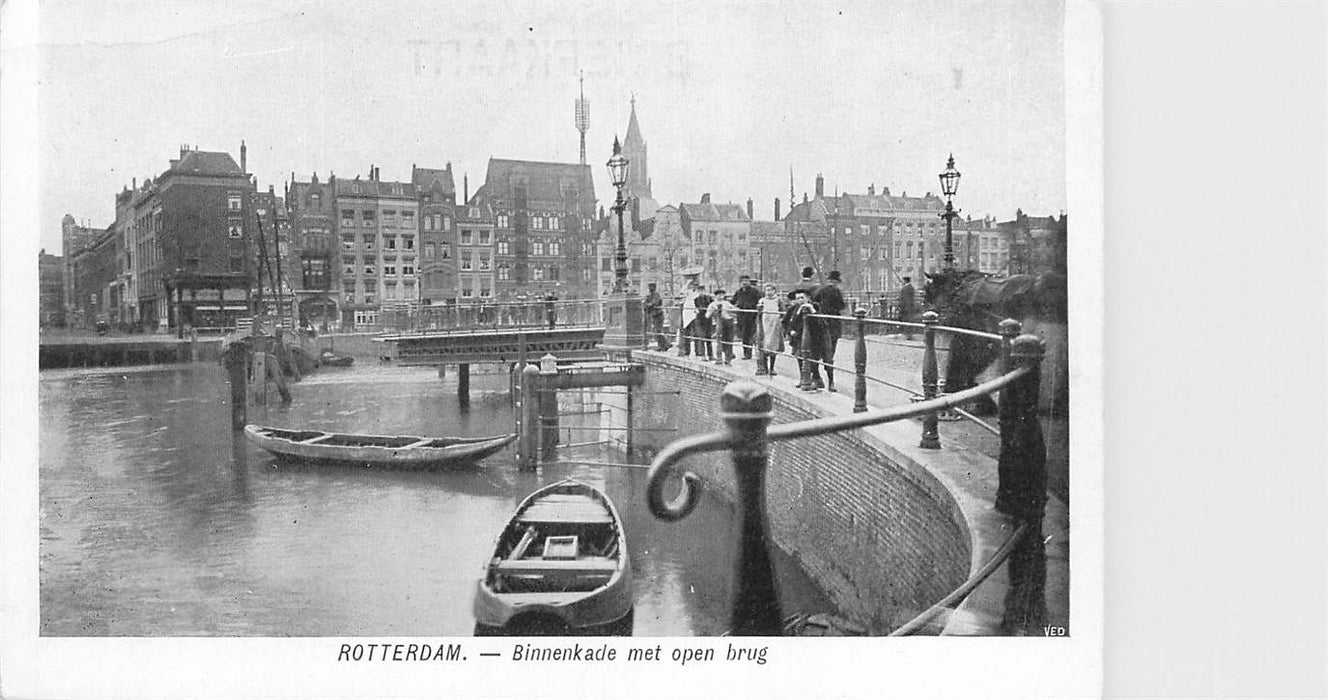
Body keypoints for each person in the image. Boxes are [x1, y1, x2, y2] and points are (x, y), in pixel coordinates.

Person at [813, 270, 847, 392]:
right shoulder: (837, 291)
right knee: (830, 353)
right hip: (833, 325)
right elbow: (842, 306)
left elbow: (815, 302)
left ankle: (816, 378)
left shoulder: (821, 290)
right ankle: (831, 382)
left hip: (821, 324)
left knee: (816, 353)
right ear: (837, 282)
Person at [784, 289, 824, 390]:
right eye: (797, 298)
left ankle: (816, 379)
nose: (800, 300)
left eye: (802, 298)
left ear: (808, 298)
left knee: (813, 360)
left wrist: (812, 311)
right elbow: (787, 322)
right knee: (800, 357)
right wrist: (791, 331)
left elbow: (821, 323)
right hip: (798, 337)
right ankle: (803, 378)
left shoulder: (815, 307)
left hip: (813, 337)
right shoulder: (794, 309)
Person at [731, 276, 761, 360]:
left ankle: (757, 352)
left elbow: (760, 301)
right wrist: (735, 308)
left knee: (753, 335)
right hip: (742, 317)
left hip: (753, 317)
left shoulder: (755, 291)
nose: (744, 282)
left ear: (749, 281)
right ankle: (746, 354)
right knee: (744, 336)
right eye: (742, 281)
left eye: (746, 281)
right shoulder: (739, 292)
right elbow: (732, 302)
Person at [757, 283, 785, 375]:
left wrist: (780, 320)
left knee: (773, 346)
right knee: (764, 344)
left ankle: (772, 368)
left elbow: (783, 312)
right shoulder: (762, 300)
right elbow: (758, 313)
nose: (768, 292)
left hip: (774, 326)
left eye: (770, 290)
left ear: (774, 291)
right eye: (767, 290)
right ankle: (764, 367)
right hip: (765, 325)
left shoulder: (778, 300)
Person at [706, 288, 738, 365]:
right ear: (715, 296)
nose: (721, 296)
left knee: (729, 340)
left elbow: (735, 310)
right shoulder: (712, 304)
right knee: (720, 340)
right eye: (719, 295)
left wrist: (733, 312)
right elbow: (707, 316)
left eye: (722, 294)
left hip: (729, 322)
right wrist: (713, 311)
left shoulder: (727, 303)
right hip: (720, 323)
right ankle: (720, 357)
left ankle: (728, 358)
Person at [643, 283, 670, 351]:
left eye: (651, 287)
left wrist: (648, 304)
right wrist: (647, 303)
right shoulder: (649, 296)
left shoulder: (656, 294)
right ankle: (662, 345)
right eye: (649, 287)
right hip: (653, 315)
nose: (650, 288)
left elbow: (654, 303)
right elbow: (644, 304)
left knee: (658, 330)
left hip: (658, 315)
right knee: (656, 331)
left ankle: (666, 344)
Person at [678, 279, 702, 356]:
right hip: (687, 312)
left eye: (696, 285)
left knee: (696, 332)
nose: (694, 287)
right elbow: (682, 291)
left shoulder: (699, 293)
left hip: (695, 312)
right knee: (686, 332)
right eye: (693, 285)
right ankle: (686, 350)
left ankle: (698, 351)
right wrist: (687, 283)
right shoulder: (689, 292)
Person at [693, 285, 714, 359]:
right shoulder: (696, 299)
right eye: (700, 290)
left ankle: (710, 355)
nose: (701, 292)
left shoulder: (709, 298)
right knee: (701, 337)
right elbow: (696, 308)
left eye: (703, 290)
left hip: (708, 319)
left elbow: (712, 306)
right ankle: (703, 355)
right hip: (700, 319)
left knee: (708, 337)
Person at [898, 276, 917, 340]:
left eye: (903, 281)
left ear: (905, 281)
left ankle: (907, 334)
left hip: (905, 307)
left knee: (905, 320)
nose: (902, 282)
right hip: (909, 307)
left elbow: (905, 299)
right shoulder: (911, 288)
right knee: (909, 320)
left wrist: (902, 306)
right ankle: (908, 334)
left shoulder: (905, 288)